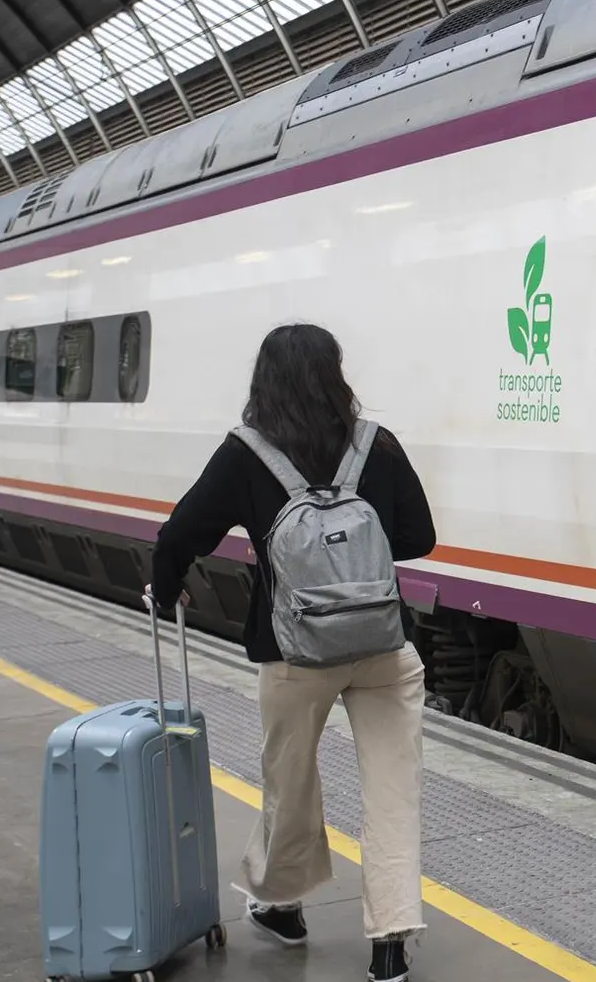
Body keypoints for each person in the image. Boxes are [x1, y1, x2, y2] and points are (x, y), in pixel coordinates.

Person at [146, 323, 435, 982]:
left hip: (292, 652)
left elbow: (179, 535)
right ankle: (390, 945)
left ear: (264, 381)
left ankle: (280, 904)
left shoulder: (245, 453)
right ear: (337, 375)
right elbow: (419, 535)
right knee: (393, 795)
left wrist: (166, 589)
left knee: (291, 785)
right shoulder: (377, 445)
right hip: (385, 648)